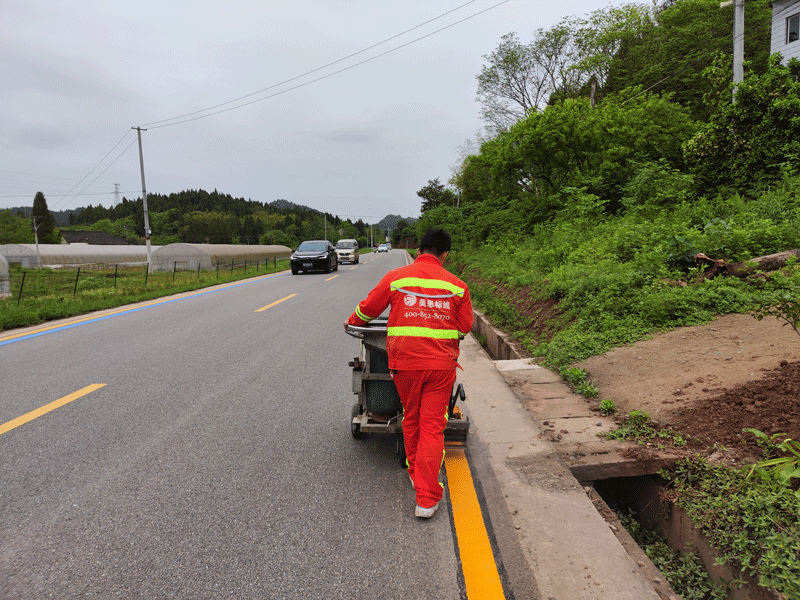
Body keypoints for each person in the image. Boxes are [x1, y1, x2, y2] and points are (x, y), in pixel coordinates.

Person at [344, 228, 473, 518]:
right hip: (440, 368)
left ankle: (415, 471)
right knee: (432, 426)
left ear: (419, 251)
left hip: (405, 366)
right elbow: (465, 326)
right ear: (445, 254)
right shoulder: (457, 286)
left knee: (411, 417)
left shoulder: (396, 278)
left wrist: (350, 321)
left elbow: (368, 309)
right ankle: (426, 499)